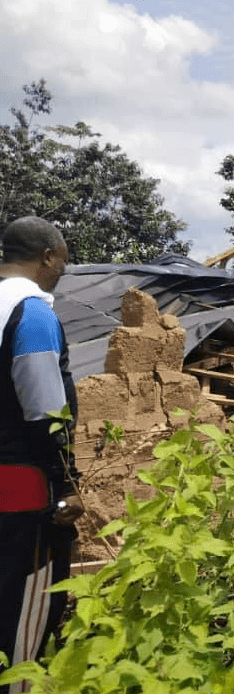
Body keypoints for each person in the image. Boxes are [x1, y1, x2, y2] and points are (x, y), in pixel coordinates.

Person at [0, 216, 82, 693]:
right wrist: (65, 487)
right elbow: (45, 415)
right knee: (24, 613)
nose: (62, 270)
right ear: (48, 257)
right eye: (63, 262)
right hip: (21, 488)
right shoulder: (30, 313)